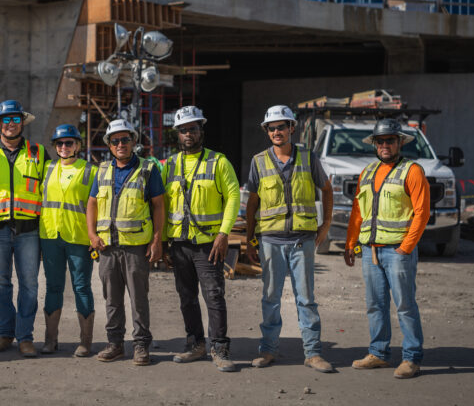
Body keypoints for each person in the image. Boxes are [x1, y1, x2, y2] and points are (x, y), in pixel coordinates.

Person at [245, 105, 334, 373]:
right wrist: (250, 239)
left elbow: (327, 191)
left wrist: (325, 225)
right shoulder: (259, 161)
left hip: (302, 240)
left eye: (281, 127)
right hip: (271, 241)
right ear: (267, 131)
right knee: (270, 298)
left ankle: (313, 353)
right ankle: (268, 350)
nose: (276, 131)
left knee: (306, 299)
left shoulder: (308, 157)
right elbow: (252, 203)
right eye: (271, 128)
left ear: (291, 128)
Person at [344, 118, 430, 379]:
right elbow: (358, 211)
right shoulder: (368, 172)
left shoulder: (412, 171)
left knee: (405, 305)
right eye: (380, 141)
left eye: (390, 140)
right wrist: (351, 243)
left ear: (399, 142)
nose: (384, 145)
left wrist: (406, 247)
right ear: (375, 144)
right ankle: (379, 353)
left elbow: (422, 212)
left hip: (397, 251)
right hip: (371, 251)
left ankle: (412, 358)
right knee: (375, 304)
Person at [162, 106, 241, 372]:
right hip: (180, 244)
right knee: (186, 297)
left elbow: (233, 197)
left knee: (214, 296)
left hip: (209, 244)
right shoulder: (170, 165)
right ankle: (195, 345)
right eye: (183, 130)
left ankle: (219, 348)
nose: (188, 134)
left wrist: (223, 233)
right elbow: (161, 205)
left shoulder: (218, 162)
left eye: (193, 129)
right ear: (177, 134)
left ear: (201, 131)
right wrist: (162, 243)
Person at [86, 119, 165, 366]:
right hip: (107, 247)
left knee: (138, 298)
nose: (121, 144)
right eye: (115, 140)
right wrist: (92, 235)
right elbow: (92, 203)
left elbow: (159, 205)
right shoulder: (102, 170)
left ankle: (141, 345)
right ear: (109, 145)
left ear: (133, 141)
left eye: (125, 139)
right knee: (112, 298)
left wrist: (157, 241)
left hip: (135, 247)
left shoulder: (147, 170)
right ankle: (115, 344)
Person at [0, 100, 47, 358]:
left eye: (15, 119)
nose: (10, 124)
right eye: (6, 119)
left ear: (22, 123)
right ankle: (6, 333)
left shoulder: (39, 152)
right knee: (1, 282)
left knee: (29, 284)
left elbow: (50, 191)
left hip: (29, 230)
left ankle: (25, 337)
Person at [39, 124, 98, 357]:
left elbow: (97, 205)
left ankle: (85, 342)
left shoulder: (90, 171)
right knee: (53, 287)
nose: (64, 147)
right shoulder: (47, 168)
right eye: (60, 143)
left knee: (81, 287)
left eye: (69, 143)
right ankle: (50, 340)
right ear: (55, 146)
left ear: (78, 145)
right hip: (50, 236)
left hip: (79, 237)